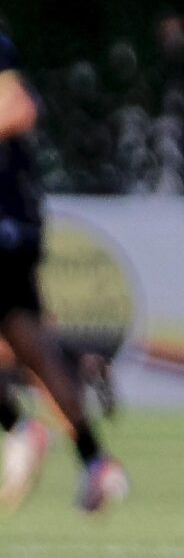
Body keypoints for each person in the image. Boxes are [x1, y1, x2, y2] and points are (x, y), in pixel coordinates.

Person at [0, 27, 127, 514]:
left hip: (7, 218)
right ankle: (97, 464)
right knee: (30, 345)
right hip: (16, 221)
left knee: (30, 345)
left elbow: (20, 107)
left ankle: (19, 429)